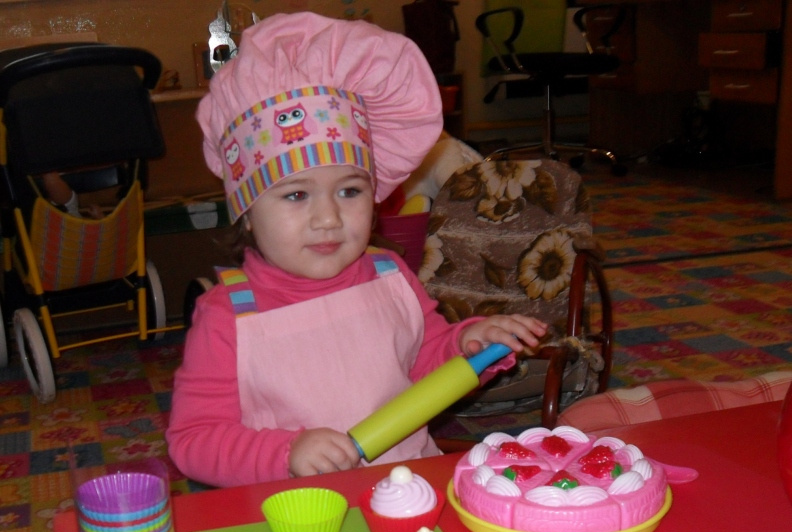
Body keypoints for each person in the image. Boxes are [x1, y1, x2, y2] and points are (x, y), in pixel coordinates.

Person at [166, 13, 547, 488]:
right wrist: (285, 452)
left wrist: (468, 344)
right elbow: (194, 439)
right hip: (298, 509)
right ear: (246, 211)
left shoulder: (389, 274)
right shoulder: (227, 314)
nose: (328, 218)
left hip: (405, 484)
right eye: (296, 195)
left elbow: (424, 361)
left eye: (349, 191)